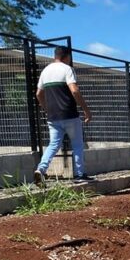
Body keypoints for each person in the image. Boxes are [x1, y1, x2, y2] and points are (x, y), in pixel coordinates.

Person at [33, 46, 93, 185]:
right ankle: (79, 175)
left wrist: (47, 109)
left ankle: (41, 169)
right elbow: (75, 90)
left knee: (53, 144)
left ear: (55, 55)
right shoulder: (67, 69)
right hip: (69, 114)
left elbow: (38, 94)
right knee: (77, 144)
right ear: (67, 56)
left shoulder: (45, 71)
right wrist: (86, 110)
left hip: (53, 117)